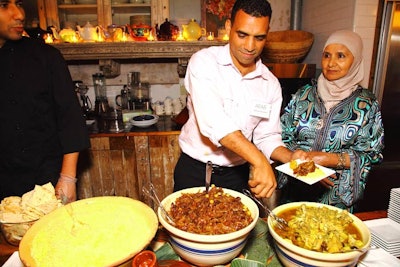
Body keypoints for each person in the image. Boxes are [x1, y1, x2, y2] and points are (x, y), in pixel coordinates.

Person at [174, 0, 304, 198]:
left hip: (237, 177)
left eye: (259, 38)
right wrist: (259, 161)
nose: (250, 46)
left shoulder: (270, 83)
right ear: (228, 27)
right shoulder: (204, 62)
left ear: (267, 35)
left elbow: (267, 136)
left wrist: (289, 157)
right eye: (242, 35)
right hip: (195, 171)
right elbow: (215, 123)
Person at [278, 30, 385, 212]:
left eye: (341, 56)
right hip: (294, 193)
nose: (331, 63)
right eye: (327, 55)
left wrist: (329, 159)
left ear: (356, 59)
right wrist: (302, 164)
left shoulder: (366, 105)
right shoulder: (303, 95)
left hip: (336, 199)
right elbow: (281, 135)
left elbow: (373, 154)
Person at [0, 0, 90, 203]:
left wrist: (67, 178)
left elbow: (71, 120)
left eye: (19, 3)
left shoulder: (46, 57)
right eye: (4, 4)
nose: (19, 14)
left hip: (45, 179)